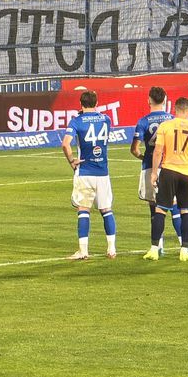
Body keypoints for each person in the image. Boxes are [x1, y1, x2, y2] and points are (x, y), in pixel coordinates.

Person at [61, 90, 117, 260]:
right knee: (106, 210)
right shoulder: (106, 119)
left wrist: (72, 161)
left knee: (83, 209)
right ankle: (111, 249)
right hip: (102, 171)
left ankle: (83, 251)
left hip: (85, 170)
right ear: (96, 103)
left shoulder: (76, 121)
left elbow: (65, 144)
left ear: (81, 103)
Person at [148, 97, 188, 262]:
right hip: (187, 173)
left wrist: (154, 173)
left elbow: (158, 151)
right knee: (186, 211)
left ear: (174, 109)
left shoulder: (165, 126)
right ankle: (184, 250)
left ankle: (154, 249)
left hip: (168, 171)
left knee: (160, 210)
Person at [129, 85, 183, 258]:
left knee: (154, 208)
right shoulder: (172, 120)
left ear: (149, 100)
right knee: (174, 205)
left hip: (150, 167)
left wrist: (143, 157)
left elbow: (134, 149)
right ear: (165, 100)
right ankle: (184, 244)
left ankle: (158, 246)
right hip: (170, 166)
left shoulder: (143, 121)